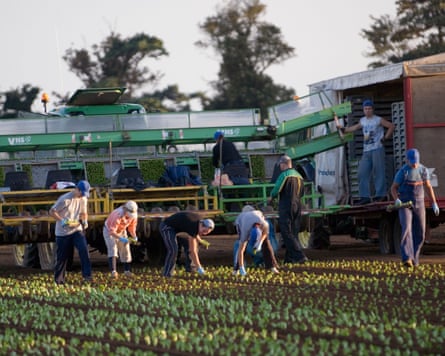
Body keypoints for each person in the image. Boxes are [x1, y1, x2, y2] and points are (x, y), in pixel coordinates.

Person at [336, 99, 395, 204]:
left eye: (369, 108)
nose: (367, 110)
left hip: (377, 148)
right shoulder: (362, 120)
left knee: (379, 172)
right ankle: (365, 196)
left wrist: (385, 138)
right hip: (366, 150)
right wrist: (344, 129)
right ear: (363, 110)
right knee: (362, 173)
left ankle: (380, 195)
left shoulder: (378, 119)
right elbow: (354, 127)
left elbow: (391, 126)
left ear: (372, 109)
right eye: (365, 109)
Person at [390, 148, 440, 267]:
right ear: (407, 160)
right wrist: (396, 199)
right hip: (405, 204)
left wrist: (434, 203)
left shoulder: (423, 170)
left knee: (420, 232)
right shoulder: (403, 172)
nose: (414, 163)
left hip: (419, 203)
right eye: (412, 161)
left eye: (416, 161)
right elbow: (393, 187)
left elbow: (428, 187)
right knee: (407, 227)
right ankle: (406, 258)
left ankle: (415, 258)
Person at [49, 180, 92, 284]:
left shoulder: (83, 199)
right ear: (76, 189)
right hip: (63, 232)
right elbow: (51, 211)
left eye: (84, 194)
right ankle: (59, 280)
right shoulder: (65, 199)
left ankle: (87, 276)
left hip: (76, 229)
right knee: (62, 257)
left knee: (83, 250)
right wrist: (61, 220)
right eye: (81, 192)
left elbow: (83, 212)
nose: (82, 195)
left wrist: (85, 221)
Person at [268, 155, 308, 264]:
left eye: (280, 165)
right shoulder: (299, 176)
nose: (280, 167)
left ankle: (300, 256)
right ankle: (289, 259)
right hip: (297, 205)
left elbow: (277, 189)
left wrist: (271, 197)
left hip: (287, 205)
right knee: (293, 232)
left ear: (283, 164)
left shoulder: (284, 175)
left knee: (286, 232)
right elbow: (302, 193)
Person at [159, 211, 214, 277]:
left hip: (178, 229)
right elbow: (192, 251)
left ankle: (191, 269)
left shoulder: (199, 222)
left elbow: (195, 233)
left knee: (191, 245)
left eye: (206, 233)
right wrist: (199, 267)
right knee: (173, 250)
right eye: (204, 231)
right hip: (167, 227)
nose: (204, 234)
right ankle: (167, 273)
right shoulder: (193, 226)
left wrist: (200, 240)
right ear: (201, 224)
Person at [233, 205, 279, 275]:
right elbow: (241, 250)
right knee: (241, 246)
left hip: (257, 217)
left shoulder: (265, 224)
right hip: (241, 222)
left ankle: (272, 266)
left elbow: (265, 234)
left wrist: (260, 243)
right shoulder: (245, 230)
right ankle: (237, 268)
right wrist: (241, 267)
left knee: (266, 244)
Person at [103, 200, 139, 278]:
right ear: (125, 209)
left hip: (122, 230)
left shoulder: (133, 216)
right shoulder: (117, 214)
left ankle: (127, 271)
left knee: (126, 249)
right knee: (113, 249)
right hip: (109, 231)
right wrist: (121, 238)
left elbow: (132, 227)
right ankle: (113, 271)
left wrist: (134, 236)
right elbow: (112, 231)